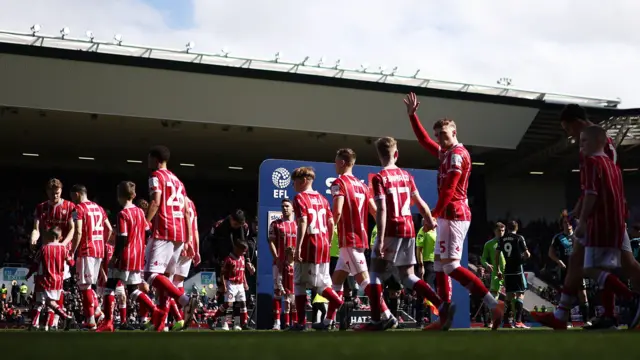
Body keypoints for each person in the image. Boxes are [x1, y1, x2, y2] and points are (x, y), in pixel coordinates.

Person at [533, 105, 640, 330]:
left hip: (601, 215)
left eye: (567, 128)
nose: (569, 135)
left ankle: (629, 300)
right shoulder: (605, 142)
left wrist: (582, 216)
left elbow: (593, 188)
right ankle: (570, 316)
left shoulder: (589, 150)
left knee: (606, 265)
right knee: (583, 262)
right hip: (613, 210)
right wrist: (579, 208)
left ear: (576, 122)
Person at [406, 92, 504, 330]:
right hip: (448, 216)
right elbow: (424, 142)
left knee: (450, 266)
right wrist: (412, 117)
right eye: (438, 134)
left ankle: (494, 305)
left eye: (444, 134)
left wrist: (434, 215)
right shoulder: (447, 152)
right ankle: (445, 316)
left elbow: (449, 189)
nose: (440, 139)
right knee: (440, 267)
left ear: (455, 133)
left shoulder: (457, 155)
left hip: (455, 215)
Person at [356, 136, 442, 332]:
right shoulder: (406, 176)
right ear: (396, 154)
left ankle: (377, 320)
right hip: (409, 229)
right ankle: (441, 304)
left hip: (392, 229)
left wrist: (379, 240)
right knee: (408, 276)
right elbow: (420, 203)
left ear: (379, 156)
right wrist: (429, 221)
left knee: (375, 274)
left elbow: (383, 210)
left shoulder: (379, 178)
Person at [575, 126, 636, 326]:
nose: (580, 144)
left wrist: (582, 221)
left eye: (584, 141)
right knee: (604, 270)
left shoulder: (592, 163)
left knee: (590, 269)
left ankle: (631, 298)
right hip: (618, 224)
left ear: (597, 142)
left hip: (601, 223)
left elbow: (591, 194)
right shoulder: (613, 166)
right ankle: (610, 316)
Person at [318, 148, 379, 330]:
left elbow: (336, 211)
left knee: (364, 280)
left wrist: (328, 237)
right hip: (359, 238)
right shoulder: (363, 186)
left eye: (336, 161)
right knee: (336, 281)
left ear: (342, 162)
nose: (334, 165)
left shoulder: (339, 183)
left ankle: (385, 314)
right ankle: (329, 321)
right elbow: (375, 211)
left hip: (349, 239)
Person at [145, 145, 198, 331]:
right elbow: (185, 211)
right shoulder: (178, 181)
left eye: (149, 158)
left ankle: (184, 300)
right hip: (180, 232)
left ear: (156, 159)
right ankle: (160, 323)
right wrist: (189, 238)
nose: (147, 162)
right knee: (165, 280)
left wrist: (146, 221)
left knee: (151, 275)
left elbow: (156, 201)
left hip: (164, 230)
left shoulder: (155, 176)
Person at [98, 181, 158, 332]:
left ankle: (108, 322)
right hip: (137, 257)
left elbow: (122, 239)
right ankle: (156, 311)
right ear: (134, 195)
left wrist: (115, 257)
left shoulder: (123, 214)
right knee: (132, 290)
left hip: (124, 256)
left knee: (109, 287)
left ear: (119, 196)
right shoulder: (139, 212)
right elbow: (148, 232)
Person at [289, 166, 343, 331]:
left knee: (300, 283)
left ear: (303, 181)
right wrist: (327, 241)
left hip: (309, 244)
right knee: (320, 283)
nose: (294, 186)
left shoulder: (299, 198)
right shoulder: (322, 199)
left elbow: (303, 222)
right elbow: (332, 222)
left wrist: (297, 248)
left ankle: (301, 322)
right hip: (323, 245)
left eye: (295, 182)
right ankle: (338, 304)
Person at [30, 179, 75, 320]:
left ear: (61, 191)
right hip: (46, 251)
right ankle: (40, 320)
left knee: (59, 284)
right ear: (47, 192)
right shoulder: (41, 207)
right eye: (52, 193)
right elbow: (36, 228)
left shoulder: (70, 206)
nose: (55, 196)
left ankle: (55, 320)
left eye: (57, 193)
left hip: (62, 251)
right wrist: (33, 238)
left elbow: (73, 228)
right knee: (42, 285)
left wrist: (63, 245)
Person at [70, 184, 112, 330]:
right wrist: (102, 242)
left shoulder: (78, 209)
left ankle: (91, 320)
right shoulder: (100, 208)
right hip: (99, 250)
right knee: (88, 284)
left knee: (84, 286)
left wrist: (72, 251)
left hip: (86, 250)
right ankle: (98, 312)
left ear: (76, 194)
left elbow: (78, 232)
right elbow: (109, 229)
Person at [549, 215, 590, 325]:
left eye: (569, 222)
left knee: (583, 294)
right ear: (562, 225)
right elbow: (551, 253)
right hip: (565, 270)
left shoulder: (579, 236)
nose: (568, 224)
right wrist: (558, 261)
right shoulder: (558, 238)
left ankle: (586, 321)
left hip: (578, 269)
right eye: (565, 223)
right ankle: (566, 321)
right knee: (565, 296)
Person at [30, 227, 73, 331]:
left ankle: (65, 317)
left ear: (49, 236)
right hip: (59, 280)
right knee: (50, 302)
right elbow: (71, 262)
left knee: (47, 302)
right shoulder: (63, 248)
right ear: (61, 237)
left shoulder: (44, 248)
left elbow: (35, 263)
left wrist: (29, 274)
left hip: (47, 279)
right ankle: (46, 325)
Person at [169, 196, 201, 330]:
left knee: (166, 285)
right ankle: (179, 318)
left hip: (180, 244)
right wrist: (197, 250)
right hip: (191, 246)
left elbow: (181, 222)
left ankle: (176, 318)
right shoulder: (192, 203)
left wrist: (185, 243)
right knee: (178, 284)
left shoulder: (177, 201)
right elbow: (195, 229)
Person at [268, 198, 297, 330]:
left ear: (292, 208)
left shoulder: (298, 224)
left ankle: (295, 322)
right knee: (278, 291)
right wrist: (277, 258)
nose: (285, 208)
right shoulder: (275, 224)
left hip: (294, 264)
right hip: (279, 264)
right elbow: (271, 242)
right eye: (283, 206)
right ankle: (277, 322)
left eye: (287, 206)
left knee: (294, 293)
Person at [496, 220, 530, 329]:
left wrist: (498, 269)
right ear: (517, 228)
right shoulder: (519, 238)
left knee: (509, 295)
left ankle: (506, 322)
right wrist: (522, 258)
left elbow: (497, 255)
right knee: (520, 294)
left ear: (508, 228)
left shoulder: (502, 239)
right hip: (517, 269)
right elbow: (527, 254)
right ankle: (518, 321)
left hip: (507, 270)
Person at [210, 240, 251, 330]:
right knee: (228, 303)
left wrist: (245, 283)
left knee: (243, 303)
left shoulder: (242, 258)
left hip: (240, 284)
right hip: (231, 284)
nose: (243, 253)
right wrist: (224, 286)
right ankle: (213, 318)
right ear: (236, 248)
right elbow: (222, 274)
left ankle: (244, 324)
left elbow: (243, 272)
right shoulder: (228, 259)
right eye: (242, 250)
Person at [415, 217, 437, 324]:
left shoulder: (436, 231)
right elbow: (419, 249)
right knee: (424, 291)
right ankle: (420, 319)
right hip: (427, 264)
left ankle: (433, 318)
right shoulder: (422, 231)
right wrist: (421, 265)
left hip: (437, 264)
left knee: (435, 291)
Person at [481, 223, 506, 301]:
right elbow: (483, 259)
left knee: (513, 297)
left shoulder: (508, 243)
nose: (501, 232)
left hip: (509, 272)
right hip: (496, 273)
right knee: (493, 298)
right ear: (494, 231)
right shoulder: (489, 244)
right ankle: (490, 312)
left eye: (503, 230)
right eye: (499, 230)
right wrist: (486, 264)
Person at [280, 247, 297, 329]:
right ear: (287, 255)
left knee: (294, 308)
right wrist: (282, 289)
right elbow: (279, 278)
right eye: (291, 254)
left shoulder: (296, 265)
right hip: (287, 290)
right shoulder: (284, 265)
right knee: (287, 308)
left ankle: (295, 323)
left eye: (293, 254)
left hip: (295, 290)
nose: (293, 256)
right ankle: (286, 324)